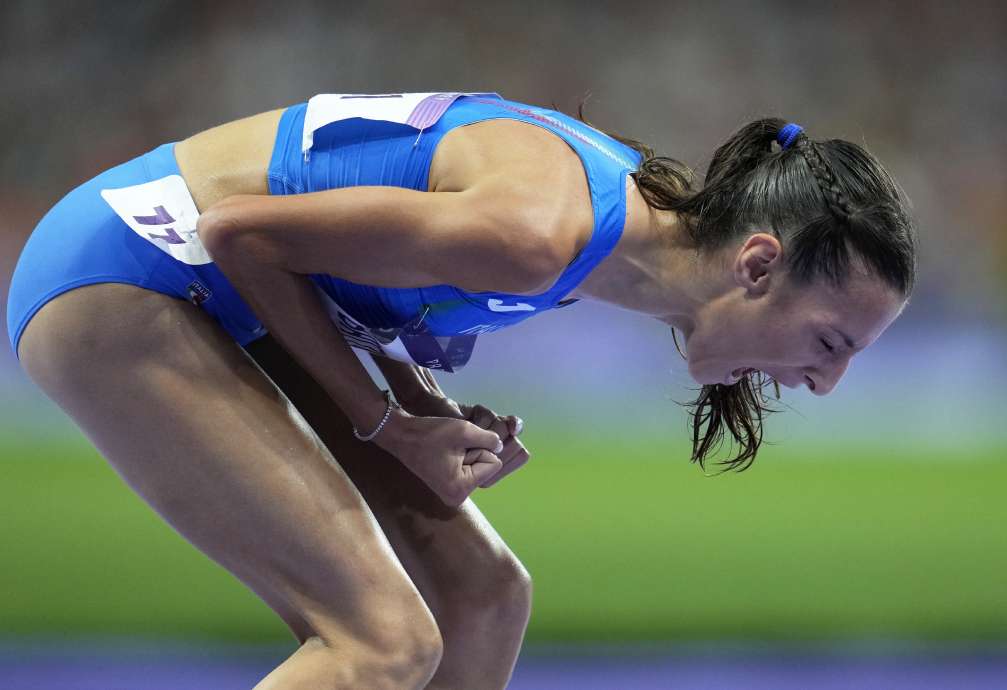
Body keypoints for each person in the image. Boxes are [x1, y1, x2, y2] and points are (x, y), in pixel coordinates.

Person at [5, 91, 916, 689]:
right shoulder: (538, 234)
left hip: (215, 292)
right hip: (128, 272)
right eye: (830, 341)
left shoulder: (599, 227)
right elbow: (243, 234)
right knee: (381, 642)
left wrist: (423, 411)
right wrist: (387, 422)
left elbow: (341, 277)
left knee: (482, 598)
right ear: (759, 263)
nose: (824, 383)